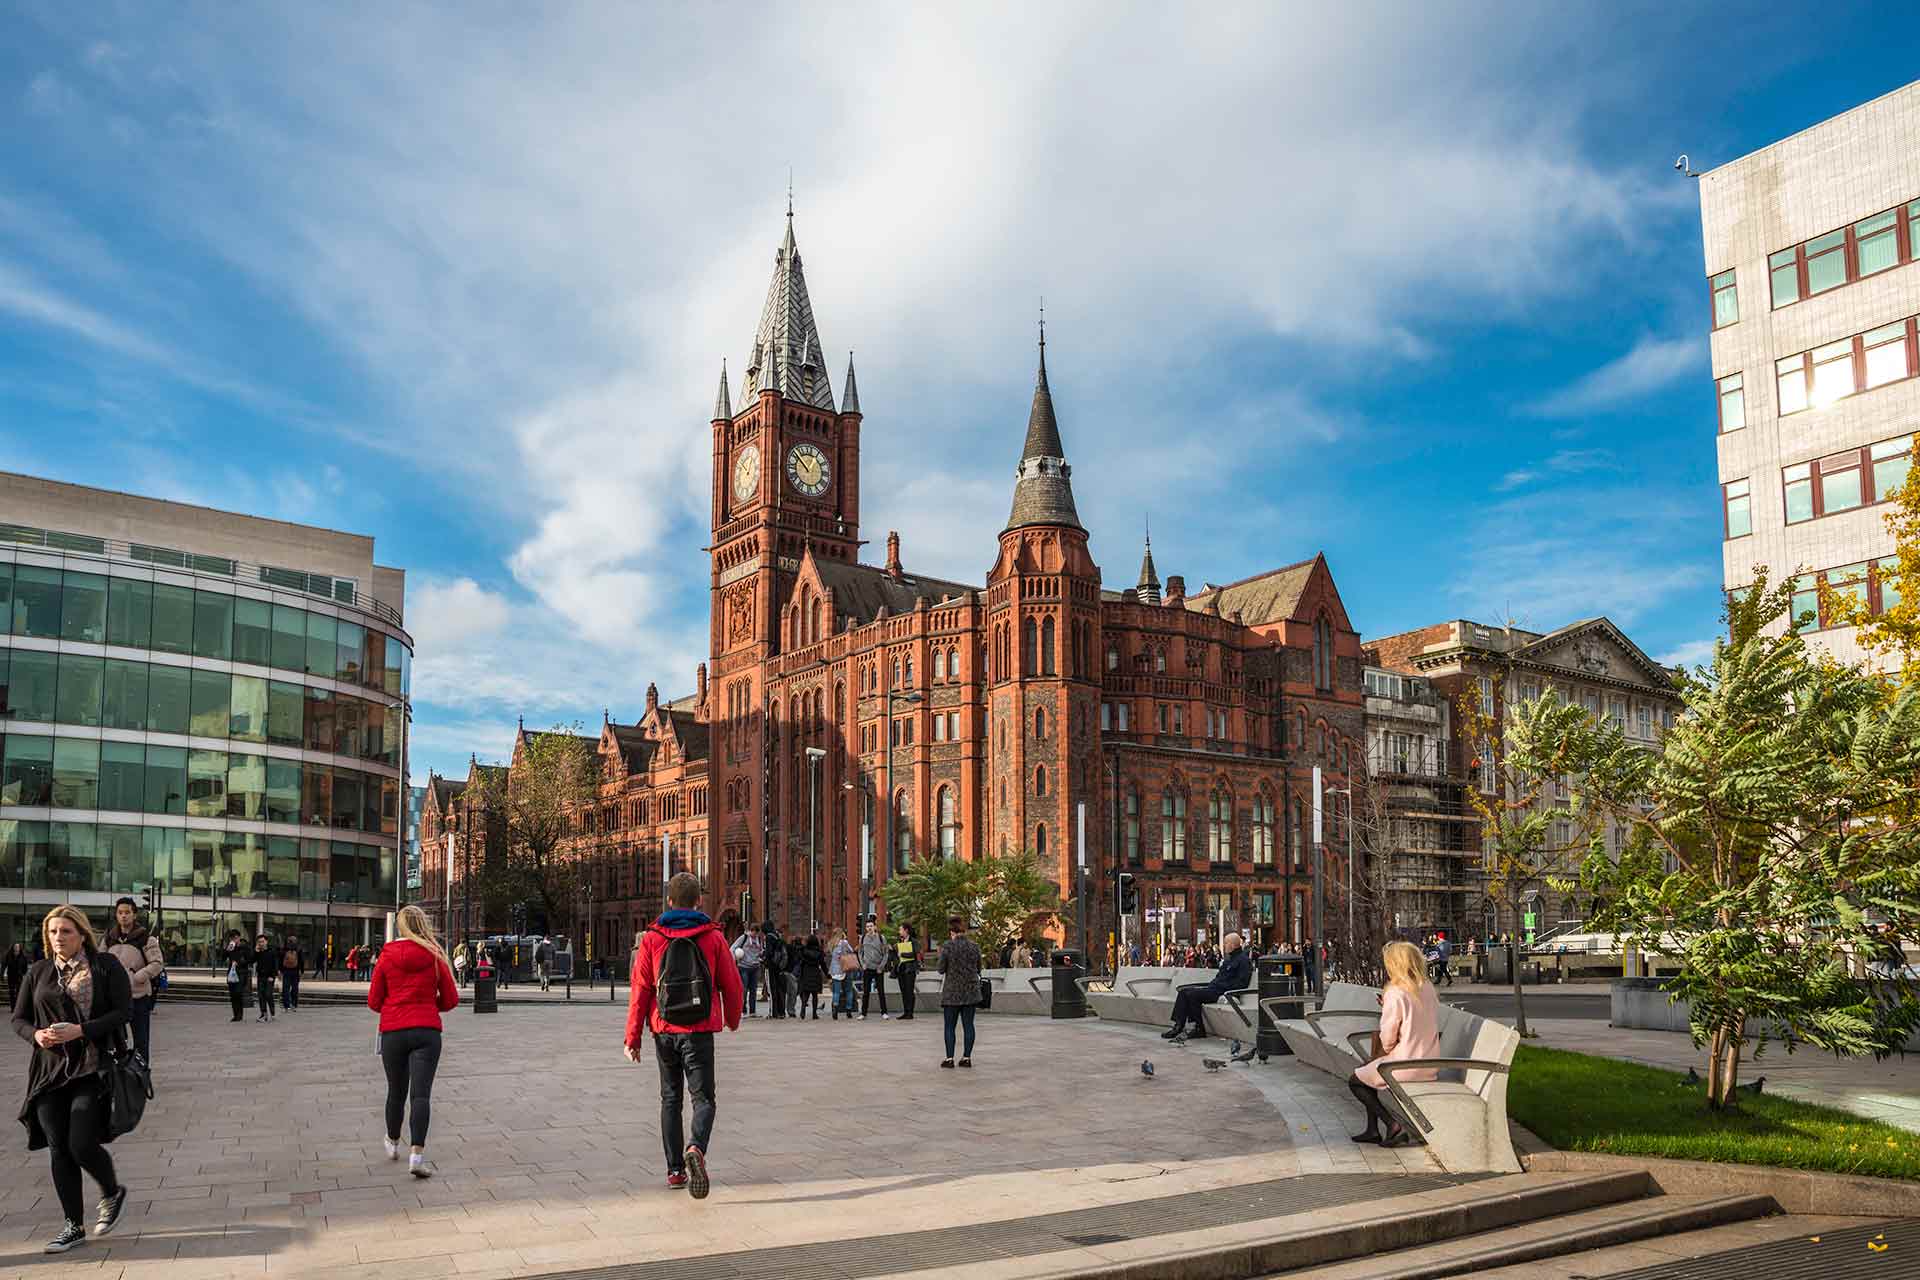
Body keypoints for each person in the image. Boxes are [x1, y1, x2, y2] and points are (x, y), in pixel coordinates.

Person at [12, 904, 132, 1252]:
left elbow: (123, 1012)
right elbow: (18, 1018)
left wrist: (81, 1030)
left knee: (80, 1142)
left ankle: (111, 1192)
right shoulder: (38, 971)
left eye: (65, 931)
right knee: (58, 1149)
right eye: (52, 932)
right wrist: (35, 1036)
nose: (58, 938)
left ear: (81, 934)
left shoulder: (104, 966)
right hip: (49, 1074)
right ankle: (72, 1225)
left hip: (92, 1069)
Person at [624, 872, 743, 1199]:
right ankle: (697, 1147)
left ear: (670, 902)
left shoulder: (651, 938)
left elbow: (641, 990)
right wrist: (732, 1019)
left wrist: (632, 1038)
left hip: (664, 1029)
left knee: (670, 1098)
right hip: (700, 1028)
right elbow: (732, 985)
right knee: (703, 1098)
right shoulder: (713, 937)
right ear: (699, 902)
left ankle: (675, 1170)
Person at [368, 906, 459, 1178]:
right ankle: (417, 1156)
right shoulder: (434, 955)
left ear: (400, 927)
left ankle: (393, 1142)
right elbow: (451, 999)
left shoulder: (386, 956)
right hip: (426, 1031)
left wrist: (395, 1005)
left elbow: (373, 1001)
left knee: (396, 1092)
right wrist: (429, 1007)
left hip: (394, 1031)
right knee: (421, 1095)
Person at [1350, 940, 1441, 1147]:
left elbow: (1388, 1039)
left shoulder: (1395, 992)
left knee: (1355, 1080)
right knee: (1368, 1071)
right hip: (1429, 1061)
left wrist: (1388, 1050)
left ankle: (1392, 1125)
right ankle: (1373, 1131)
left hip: (1404, 1065)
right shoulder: (1427, 987)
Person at [102, 899, 164, 1063]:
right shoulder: (109, 938)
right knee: (116, 1041)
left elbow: (157, 963)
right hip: (113, 998)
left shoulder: (145, 938)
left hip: (138, 996)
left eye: (127, 912)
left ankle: (141, 1075)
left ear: (134, 914)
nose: (123, 916)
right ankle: (119, 1076)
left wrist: (140, 976)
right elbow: (99, 961)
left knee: (141, 1041)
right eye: (120, 913)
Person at [1161, 932, 1252, 1041]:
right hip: (1214, 989)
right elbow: (1219, 977)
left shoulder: (1243, 960)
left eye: (1226, 943)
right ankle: (1178, 1026)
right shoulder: (1229, 959)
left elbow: (1242, 983)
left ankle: (1199, 1028)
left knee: (1192, 995)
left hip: (1223, 993)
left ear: (1233, 945)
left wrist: (1222, 988)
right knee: (1183, 991)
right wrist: (1213, 985)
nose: (1224, 945)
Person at [936, 915, 982, 1069]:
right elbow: (979, 968)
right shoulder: (974, 946)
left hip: (952, 992)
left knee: (950, 1026)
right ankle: (966, 1058)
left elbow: (941, 970)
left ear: (951, 931)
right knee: (969, 1025)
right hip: (970, 991)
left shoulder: (947, 946)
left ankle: (949, 1059)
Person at [858, 921, 891, 1020]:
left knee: (881, 991)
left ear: (874, 927)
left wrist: (881, 966)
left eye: (871, 926)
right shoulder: (863, 938)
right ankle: (863, 1013)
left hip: (878, 969)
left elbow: (886, 953)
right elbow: (860, 952)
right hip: (867, 968)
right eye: (867, 926)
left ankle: (884, 1012)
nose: (869, 928)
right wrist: (862, 964)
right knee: (866, 992)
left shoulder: (881, 938)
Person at [732, 927, 764, 1018]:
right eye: (754, 932)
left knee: (753, 990)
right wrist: (735, 958)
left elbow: (760, 951)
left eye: (757, 933)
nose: (755, 935)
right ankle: (742, 1010)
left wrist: (761, 956)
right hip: (744, 967)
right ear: (751, 930)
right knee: (744, 989)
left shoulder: (758, 939)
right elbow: (734, 947)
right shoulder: (744, 938)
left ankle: (752, 1011)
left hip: (755, 967)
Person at [828, 927, 858, 1020]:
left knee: (836, 991)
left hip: (835, 970)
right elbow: (851, 950)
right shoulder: (844, 942)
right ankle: (849, 1011)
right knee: (848, 990)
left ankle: (835, 1010)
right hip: (846, 968)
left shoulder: (830, 943)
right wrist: (844, 939)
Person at [221, 930, 251, 1022]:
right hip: (231, 974)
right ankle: (235, 1015)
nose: (234, 940)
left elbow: (249, 960)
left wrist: (239, 962)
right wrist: (227, 949)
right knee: (233, 994)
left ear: (239, 937)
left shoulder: (245, 947)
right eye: (232, 938)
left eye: (235, 938)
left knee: (238, 993)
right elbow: (222, 958)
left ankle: (239, 1014)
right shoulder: (230, 947)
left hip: (241, 973)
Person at [795, 933, 827, 1020]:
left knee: (806, 993)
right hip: (816, 972)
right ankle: (814, 1014)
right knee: (815, 995)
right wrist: (827, 974)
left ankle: (803, 1009)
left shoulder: (804, 950)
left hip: (806, 972)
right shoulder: (819, 952)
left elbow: (799, 960)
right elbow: (823, 964)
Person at [893, 923, 920, 1020]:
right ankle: (905, 1011)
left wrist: (903, 954)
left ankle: (910, 1012)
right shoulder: (899, 941)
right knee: (903, 990)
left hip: (910, 968)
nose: (899, 932)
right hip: (901, 968)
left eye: (900, 930)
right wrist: (894, 949)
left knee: (909, 991)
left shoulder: (914, 941)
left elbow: (915, 954)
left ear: (906, 930)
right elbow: (896, 955)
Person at [761, 924, 787, 1020]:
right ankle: (781, 1012)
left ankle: (773, 1012)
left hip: (771, 966)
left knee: (771, 990)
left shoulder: (768, 937)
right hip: (778, 966)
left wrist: (764, 960)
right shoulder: (777, 936)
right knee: (778, 989)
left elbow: (768, 952)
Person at [251, 935, 278, 1022]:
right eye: (259, 942)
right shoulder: (258, 952)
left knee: (268, 994)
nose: (261, 943)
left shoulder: (272, 951)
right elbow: (251, 961)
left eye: (262, 941)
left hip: (269, 977)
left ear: (266, 941)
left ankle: (273, 1013)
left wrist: (272, 976)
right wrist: (255, 951)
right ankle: (264, 1014)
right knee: (261, 995)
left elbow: (275, 965)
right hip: (261, 976)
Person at [279, 935, 305, 1011]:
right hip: (295, 971)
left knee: (285, 988)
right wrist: (302, 971)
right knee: (295, 988)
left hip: (286, 971)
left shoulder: (284, 949)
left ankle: (287, 1005)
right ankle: (294, 1004)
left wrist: (280, 970)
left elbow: (280, 960)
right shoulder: (298, 949)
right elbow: (301, 961)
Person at [4, 942, 29, 1009]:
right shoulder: (9, 955)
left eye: (18, 947)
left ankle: (17, 1007)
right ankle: (13, 1006)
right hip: (11, 976)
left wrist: (25, 974)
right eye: (15, 947)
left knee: (19, 992)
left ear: (20, 948)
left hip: (19, 976)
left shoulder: (23, 956)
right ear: (13, 947)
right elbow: (4, 965)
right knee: (11, 992)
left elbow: (25, 967)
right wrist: (2, 974)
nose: (16, 948)